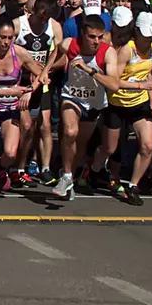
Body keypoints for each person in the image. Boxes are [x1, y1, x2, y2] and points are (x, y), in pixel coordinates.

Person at [89, 11, 152, 206]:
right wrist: (142, 85)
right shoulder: (127, 50)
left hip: (139, 104)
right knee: (109, 148)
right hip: (117, 103)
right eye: (146, 35)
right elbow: (114, 82)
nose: (149, 39)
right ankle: (93, 170)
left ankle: (133, 185)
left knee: (148, 146)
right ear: (137, 32)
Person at [0, 15, 47, 197]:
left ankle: (1, 169)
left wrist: (29, 91)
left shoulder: (20, 53)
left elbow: (42, 75)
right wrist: (11, 91)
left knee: (10, 153)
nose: (6, 42)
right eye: (2, 37)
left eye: (10, 38)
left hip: (10, 109)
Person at [46, 16, 112, 201]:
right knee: (70, 132)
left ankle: (69, 178)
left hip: (93, 103)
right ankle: (66, 175)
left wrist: (89, 70)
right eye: (92, 37)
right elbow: (57, 51)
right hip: (72, 97)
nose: (96, 41)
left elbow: (114, 85)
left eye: (100, 37)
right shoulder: (70, 44)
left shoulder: (108, 53)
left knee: (80, 145)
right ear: (83, 34)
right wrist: (45, 71)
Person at [15, 0, 63, 186]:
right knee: (26, 126)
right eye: (41, 17)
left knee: (45, 126)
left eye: (46, 18)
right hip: (21, 81)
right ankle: (18, 167)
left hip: (42, 80)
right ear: (33, 10)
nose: (43, 21)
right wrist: (28, 68)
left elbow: (62, 56)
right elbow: (7, 54)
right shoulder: (18, 25)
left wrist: (45, 70)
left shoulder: (54, 27)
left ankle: (45, 168)